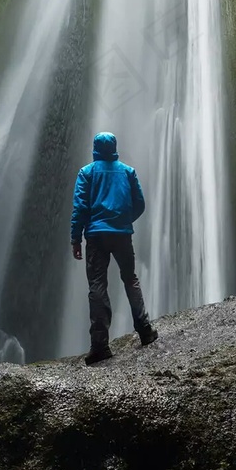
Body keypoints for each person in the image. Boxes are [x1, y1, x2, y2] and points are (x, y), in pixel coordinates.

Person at [71, 131, 158, 365]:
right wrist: (125, 220)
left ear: (96, 148)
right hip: (122, 235)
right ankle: (146, 331)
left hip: (96, 236)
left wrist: (75, 238)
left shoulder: (86, 173)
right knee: (130, 279)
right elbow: (140, 203)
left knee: (97, 286)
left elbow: (79, 208)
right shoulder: (127, 172)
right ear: (115, 148)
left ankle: (100, 346)